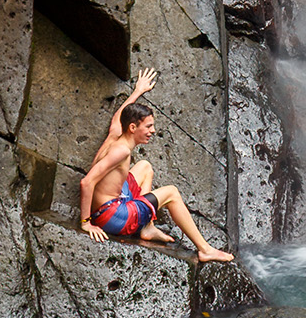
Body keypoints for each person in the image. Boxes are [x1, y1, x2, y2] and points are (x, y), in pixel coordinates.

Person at [79, 66, 233, 262]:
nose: (153, 131)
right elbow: (86, 182)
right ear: (133, 127)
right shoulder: (122, 151)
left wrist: (138, 91)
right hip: (112, 216)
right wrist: (86, 223)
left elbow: (118, 117)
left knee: (145, 166)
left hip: (110, 203)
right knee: (172, 193)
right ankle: (205, 249)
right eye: (149, 126)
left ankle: (147, 227)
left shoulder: (117, 133)